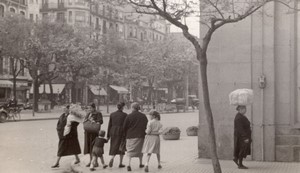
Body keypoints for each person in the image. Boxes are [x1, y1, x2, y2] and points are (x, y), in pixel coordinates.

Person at [123, 102, 148, 172]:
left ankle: (128, 164)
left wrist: (125, 134)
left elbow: (124, 127)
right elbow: (146, 125)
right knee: (140, 150)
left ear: (132, 108)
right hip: (140, 135)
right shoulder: (143, 116)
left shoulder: (129, 116)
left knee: (130, 150)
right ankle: (140, 163)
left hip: (130, 136)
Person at [107, 102, 127, 168]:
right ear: (122, 107)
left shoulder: (112, 114)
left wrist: (108, 136)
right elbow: (126, 125)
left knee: (114, 145)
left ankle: (112, 158)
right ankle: (120, 163)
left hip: (113, 131)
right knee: (122, 146)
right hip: (121, 131)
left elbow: (109, 125)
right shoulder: (125, 115)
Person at [84, 103, 103, 167]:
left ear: (94, 108)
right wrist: (86, 120)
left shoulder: (98, 113)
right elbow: (84, 120)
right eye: (89, 108)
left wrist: (95, 121)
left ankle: (96, 162)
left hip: (94, 132)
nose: (89, 109)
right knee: (89, 147)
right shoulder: (88, 113)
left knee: (94, 147)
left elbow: (101, 121)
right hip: (88, 132)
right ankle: (91, 161)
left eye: (90, 108)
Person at [233, 105, 252, 169]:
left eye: (245, 109)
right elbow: (240, 129)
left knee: (241, 149)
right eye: (244, 109)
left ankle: (236, 159)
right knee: (242, 149)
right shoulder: (239, 117)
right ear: (240, 109)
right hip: (241, 137)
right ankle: (240, 164)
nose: (245, 110)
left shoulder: (241, 116)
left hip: (242, 136)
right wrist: (245, 137)